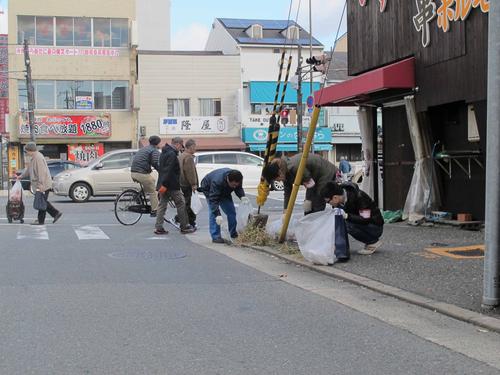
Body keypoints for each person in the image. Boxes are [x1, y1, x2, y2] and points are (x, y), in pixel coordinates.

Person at [261, 153, 338, 215]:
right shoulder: (283, 169)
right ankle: (310, 223)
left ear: (279, 173)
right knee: (308, 206)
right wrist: (286, 210)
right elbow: (288, 192)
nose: (277, 181)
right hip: (313, 178)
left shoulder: (294, 167)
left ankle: (317, 226)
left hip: (325, 172)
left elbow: (310, 183)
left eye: (275, 179)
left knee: (318, 199)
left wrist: (309, 200)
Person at [321, 181, 383, 255]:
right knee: (338, 222)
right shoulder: (339, 201)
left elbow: (365, 219)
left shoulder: (360, 196)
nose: (328, 204)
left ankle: (373, 242)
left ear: (335, 197)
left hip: (375, 226)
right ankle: (339, 247)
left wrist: (347, 216)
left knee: (346, 224)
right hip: (364, 224)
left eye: (328, 202)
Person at [154, 137, 195, 235]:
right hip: (171, 184)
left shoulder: (164, 152)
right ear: (178, 144)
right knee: (181, 203)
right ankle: (184, 226)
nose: (181, 148)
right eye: (181, 146)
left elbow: (161, 168)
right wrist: (165, 184)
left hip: (163, 183)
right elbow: (169, 170)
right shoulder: (172, 154)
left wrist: (162, 184)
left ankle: (159, 227)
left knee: (162, 205)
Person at [199, 168, 249, 243]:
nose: (235, 187)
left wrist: (242, 196)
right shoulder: (217, 181)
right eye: (233, 185)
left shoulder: (238, 178)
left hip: (225, 192)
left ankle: (233, 233)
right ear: (228, 180)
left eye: (236, 185)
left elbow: (238, 188)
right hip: (209, 189)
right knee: (214, 215)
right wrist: (217, 214)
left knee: (231, 212)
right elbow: (213, 200)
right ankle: (216, 236)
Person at [17, 142, 62, 225]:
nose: (26, 153)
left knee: (41, 201)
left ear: (30, 150)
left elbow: (42, 172)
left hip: (43, 184)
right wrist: (21, 176)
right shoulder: (34, 157)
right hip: (41, 184)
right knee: (42, 201)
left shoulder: (38, 158)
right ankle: (53, 214)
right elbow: (28, 170)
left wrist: (40, 185)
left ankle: (44, 219)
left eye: (26, 151)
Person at [130, 135, 161, 216]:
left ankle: (138, 196)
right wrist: (161, 171)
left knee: (151, 181)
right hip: (141, 173)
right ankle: (154, 210)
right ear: (157, 144)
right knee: (153, 191)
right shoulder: (154, 150)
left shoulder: (143, 149)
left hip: (133, 172)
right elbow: (155, 162)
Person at [178, 139, 198, 228]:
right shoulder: (189, 157)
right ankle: (189, 221)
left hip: (181, 182)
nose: (195, 149)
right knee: (189, 204)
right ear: (191, 147)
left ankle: (182, 219)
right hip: (187, 183)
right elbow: (190, 172)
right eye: (195, 147)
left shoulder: (181, 156)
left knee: (185, 203)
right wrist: (193, 184)